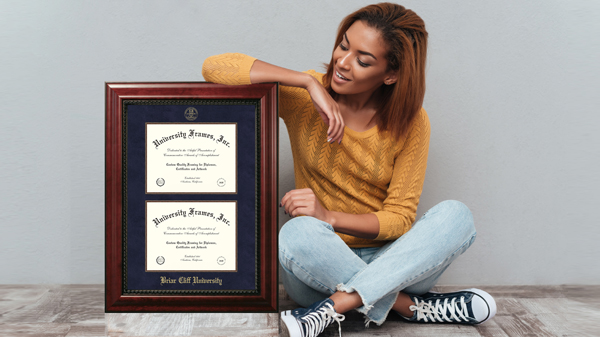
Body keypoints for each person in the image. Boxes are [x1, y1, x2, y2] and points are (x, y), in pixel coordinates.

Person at [202, 3, 496, 336]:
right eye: (344, 45)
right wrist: (307, 84)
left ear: (391, 74)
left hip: (396, 262)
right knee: (295, 233)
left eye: (363, 59)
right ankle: (409, 307)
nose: (342, 62)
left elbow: (399, 218)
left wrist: (329, 216)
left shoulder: (411, 122)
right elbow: (215, 67)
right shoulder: (305, 96)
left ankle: (335, 307)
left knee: (456, 215)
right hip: (318, 267)